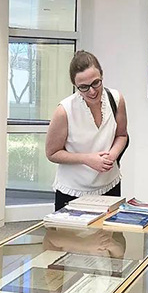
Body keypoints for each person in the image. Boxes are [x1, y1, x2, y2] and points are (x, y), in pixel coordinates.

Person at [46, 51, 128, 210]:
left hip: (109, 185)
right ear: (74, 85)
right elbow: (52, 153)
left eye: (96, 83)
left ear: (102, 75)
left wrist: (112, 155)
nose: (92, 91)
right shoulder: (64, 110)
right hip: (73, 190)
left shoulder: (116, 99)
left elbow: (122, 135)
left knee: (109, 227)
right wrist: (87, 159)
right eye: (84, 87)